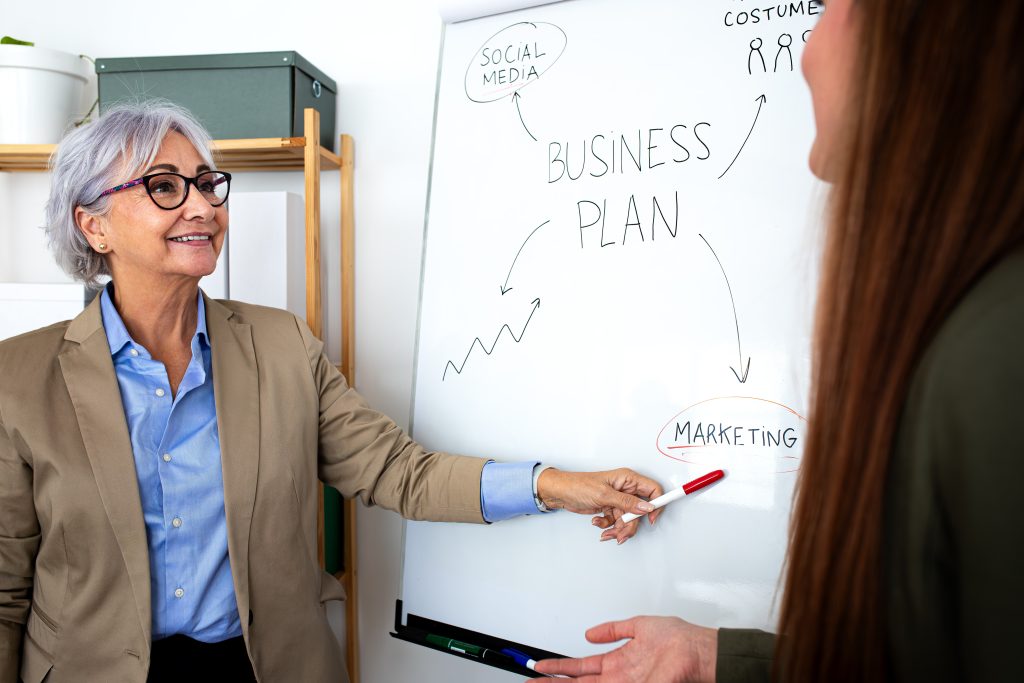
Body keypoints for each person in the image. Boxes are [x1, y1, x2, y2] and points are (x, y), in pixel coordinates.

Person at [0, 100, 666, 683]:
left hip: (263, 667)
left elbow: (402, 472)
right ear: (95, 225)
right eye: (165, 187)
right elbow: (5, 590)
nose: (203, 205)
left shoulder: (282, 346)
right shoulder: (19, 378)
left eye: (207, 184)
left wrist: (558, 484)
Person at [535, 0, 1024, 681]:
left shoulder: (994, 357)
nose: (805, 49)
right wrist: (711, 655)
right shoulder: (968, 330)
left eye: (829, 7)